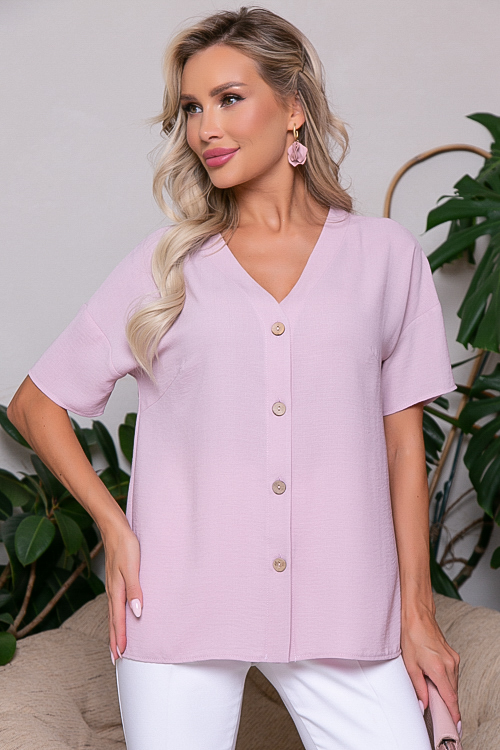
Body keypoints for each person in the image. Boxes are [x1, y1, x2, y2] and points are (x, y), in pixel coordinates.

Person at [7, 6, 461, 750]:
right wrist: (116, 531)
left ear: (293, 108)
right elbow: (36, 403)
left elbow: (403, 446)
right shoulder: (168, 263)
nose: (205, 128)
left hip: (345, 602)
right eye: (192, 107)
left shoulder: (386, 256)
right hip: (180, 603)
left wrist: (418, 614)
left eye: (229, 99)